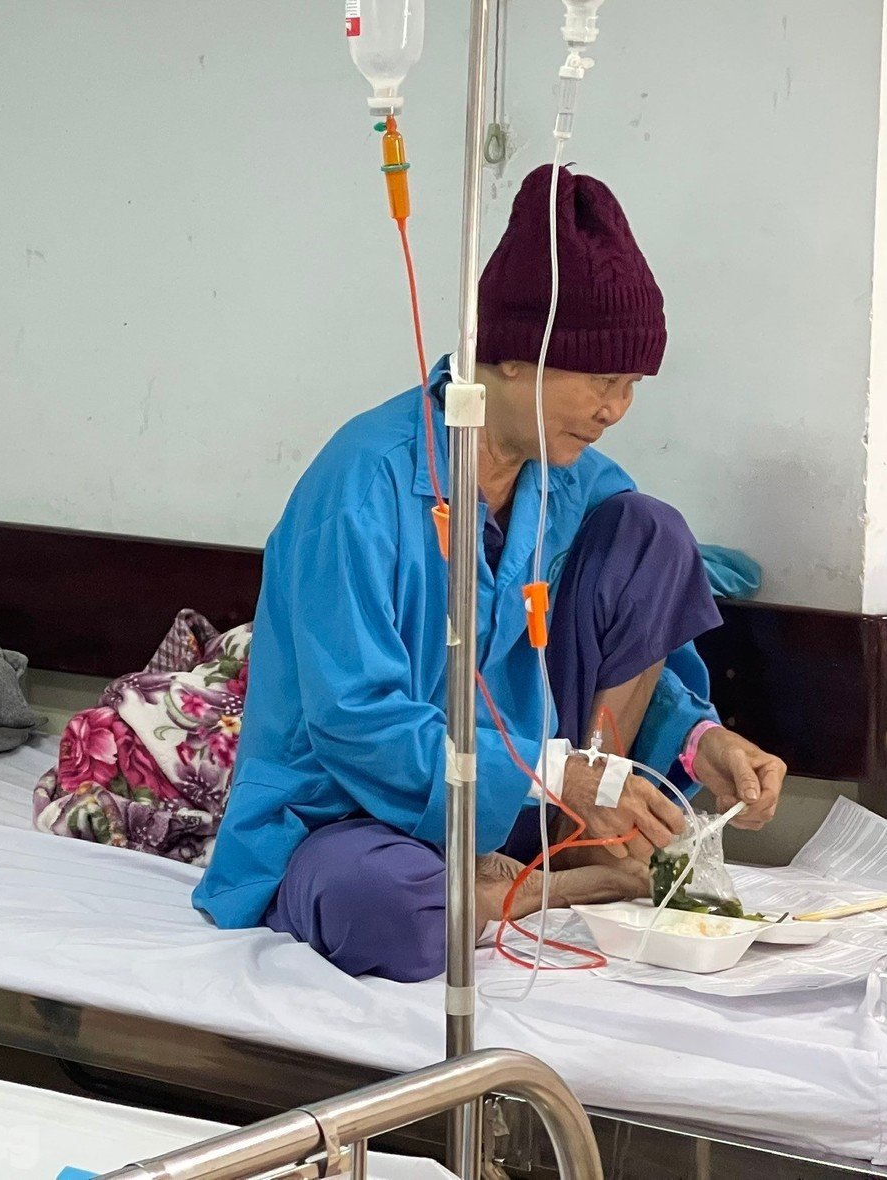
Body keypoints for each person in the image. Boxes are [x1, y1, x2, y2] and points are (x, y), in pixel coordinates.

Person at [191, 166, 787, 982]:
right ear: (507, 358)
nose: (616, 409)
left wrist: (700, 739)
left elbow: (630, 642)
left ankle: (563, 858)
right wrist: (552, 773)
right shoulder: (362, 486)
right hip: (350, 813)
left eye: (631, 387)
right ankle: (568, 883)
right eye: (601, 381)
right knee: (403, 915)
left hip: (524, 808)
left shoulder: (574, 482)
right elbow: (352, 720)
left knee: (652, 531)